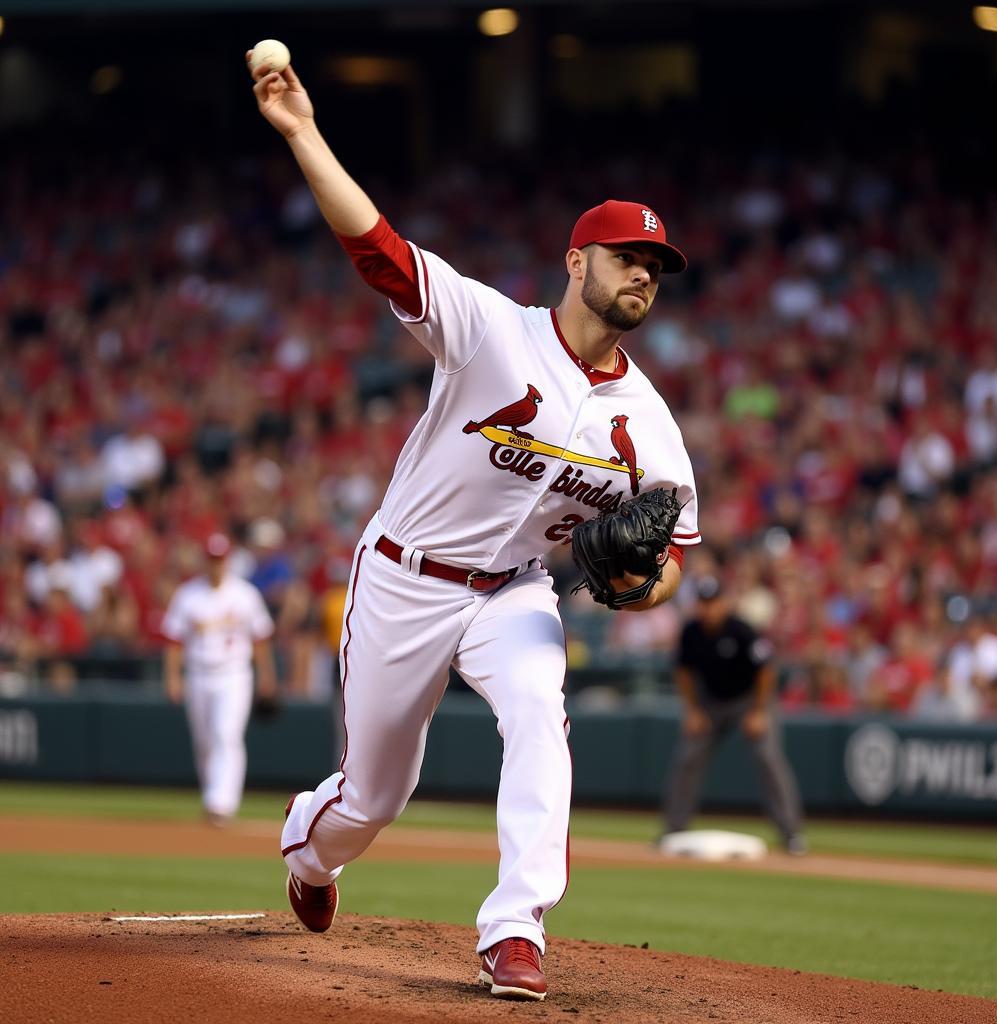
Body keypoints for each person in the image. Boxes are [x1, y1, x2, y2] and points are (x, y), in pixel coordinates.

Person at [249, 53, 701, 1002]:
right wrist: (301, 133)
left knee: (540, 711)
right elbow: (378, 248)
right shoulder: (493, 331)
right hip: (406, 576)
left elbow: (674, 563)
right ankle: (311, 856)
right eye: (629, 258)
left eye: (657, 268)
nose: (644, 277)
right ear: (578, 261)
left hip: (515, 593)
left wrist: (635, 584)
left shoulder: (653, 430)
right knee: (372, 799)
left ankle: (515, 928)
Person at [661, 576, 806, 855]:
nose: (708, 609)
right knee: (687, 757)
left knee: (768, 758)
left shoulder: (741, 630)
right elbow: (683, 672)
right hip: (709, 703)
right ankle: (673, 829)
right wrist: (692, 710)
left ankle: (791, 833)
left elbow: (766, 671)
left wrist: (759, 712)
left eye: (713, 603)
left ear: (724, 603)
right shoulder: (691, 631)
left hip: (748, 700)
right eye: (703, 603)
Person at [162, 533, 277, 826]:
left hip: (234, 673)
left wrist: (267, 676)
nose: (216, 565)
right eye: (212, 560)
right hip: (198, 674)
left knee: (226, 735)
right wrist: (173, 677)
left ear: (228, 561)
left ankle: (221, 803)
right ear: (205, 561)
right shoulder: (188, 595)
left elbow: (261, 639)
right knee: (204, 742)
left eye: (220, 560)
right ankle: (212, 797)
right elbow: (174, 641)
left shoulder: (245, 594)